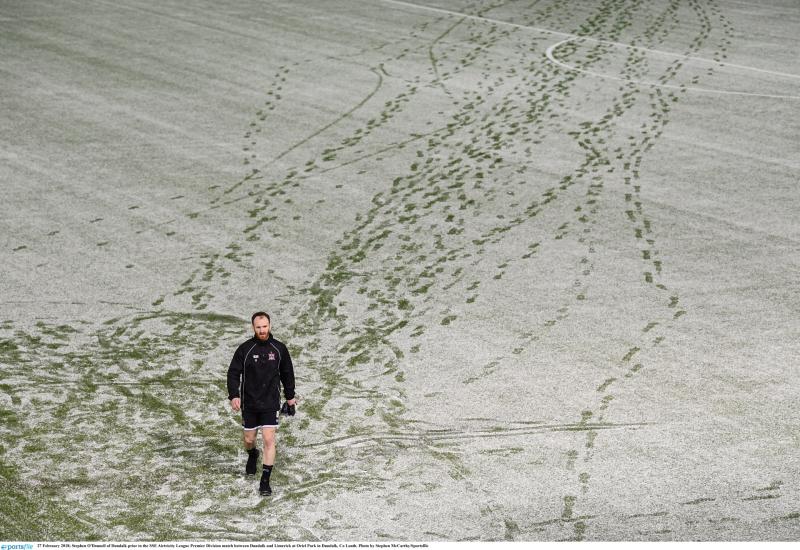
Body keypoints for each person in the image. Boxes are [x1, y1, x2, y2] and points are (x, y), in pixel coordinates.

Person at [227, 311, 296, 496]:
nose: (262, 330)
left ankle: (265, 480)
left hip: (270, 402)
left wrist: (290, 397)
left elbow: (287, 373)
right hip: (249, 403)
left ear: (270, 326)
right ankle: (252, 454)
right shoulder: (245, 349)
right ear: (253, 328)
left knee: (268, 439)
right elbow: (233, 373)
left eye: (265, 327)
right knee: (249, 440)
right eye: (258, 327)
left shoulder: (279, 349)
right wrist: (234, 395)